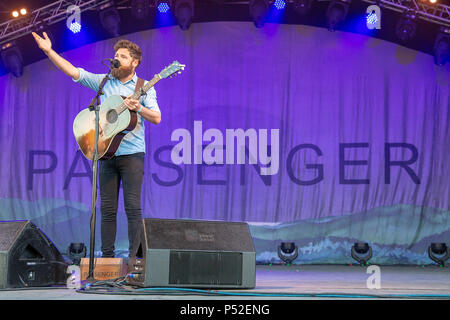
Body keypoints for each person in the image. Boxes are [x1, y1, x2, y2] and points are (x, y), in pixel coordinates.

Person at [32, 32, 161, 258]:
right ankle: (107, 260)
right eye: (115, 55)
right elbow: (74, 72)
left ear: (134, 62)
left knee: (132, 208)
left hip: (132, 154)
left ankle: (135, 261)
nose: (116, 59)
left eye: (122, 56)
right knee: (107, 210)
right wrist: (48, 51)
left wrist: (138, 108)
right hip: (105, 153)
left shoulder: (144, 87)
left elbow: (157, 117)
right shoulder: (104, 81)